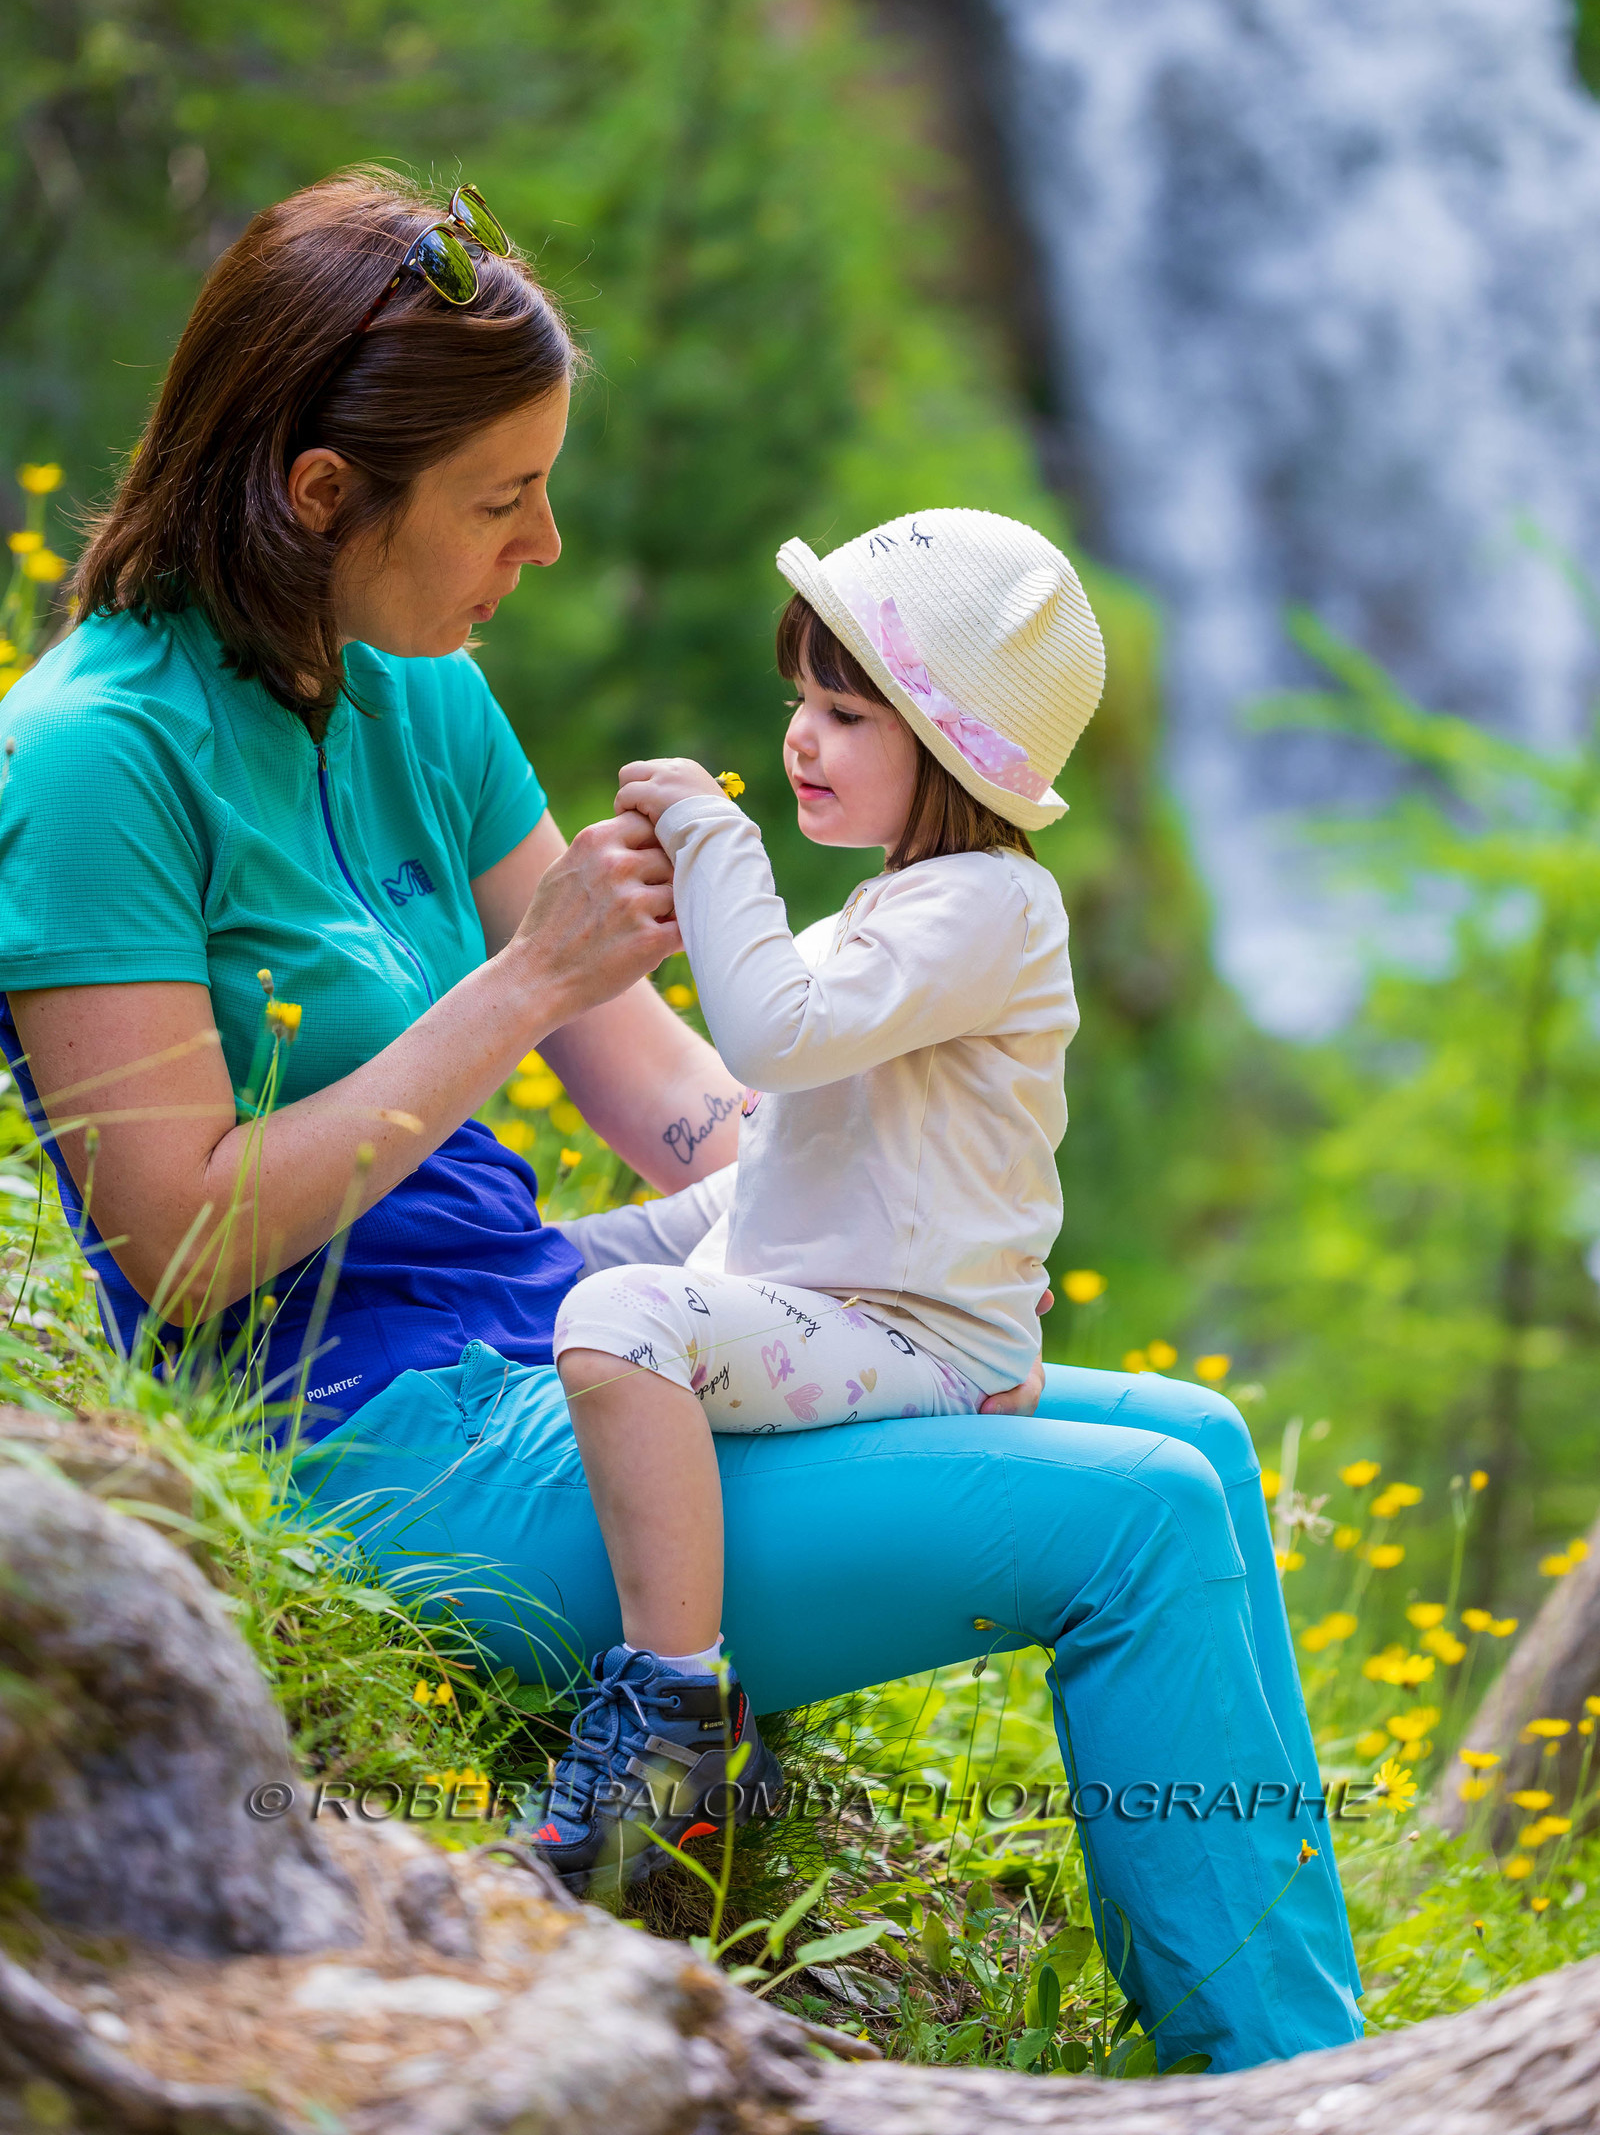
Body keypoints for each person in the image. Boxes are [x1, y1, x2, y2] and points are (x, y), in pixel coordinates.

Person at [0, 167, 1362, 2072]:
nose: (544, 541)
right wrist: (519, 988)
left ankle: (1288, 2049)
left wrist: (902, 1207)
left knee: (1195, 1440)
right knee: (1133, 1532)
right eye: (502, 498)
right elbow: (180, 1244)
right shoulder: (89, 762)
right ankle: (1300, 2093)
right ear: (319, 495)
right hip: (365, 1439)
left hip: (542, 1330)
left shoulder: (415, 693)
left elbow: (669, 1100)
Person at [536, 509, 1104, 1892]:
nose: (801, 737)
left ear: (956, 750)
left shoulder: (989, 907)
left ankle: (679, 1715)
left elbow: (774, 1034)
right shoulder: (913, 902)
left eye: (846, 714)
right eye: (801, 701)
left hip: (910, 1331)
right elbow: (790, 1090)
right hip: (833, 1271)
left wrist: (717, 844)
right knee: (559, 1268)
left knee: (620, 1323)